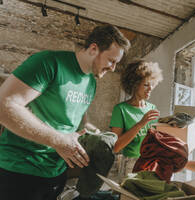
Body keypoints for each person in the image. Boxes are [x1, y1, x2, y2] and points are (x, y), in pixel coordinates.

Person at [0, 25, 130, 200]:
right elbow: (5, 105)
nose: (113, 68)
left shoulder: (90, 82)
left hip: (57, 173)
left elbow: (78, 123)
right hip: (20, 171)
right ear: (93, 49)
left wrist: (96, 135)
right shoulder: (49, 63)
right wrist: (59, 141)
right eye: (111, 61)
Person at [109, 60, 163, 181]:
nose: (150, 89)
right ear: (134, 84)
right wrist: (141, 124)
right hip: (130, 164)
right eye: (146, 84)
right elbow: (116, 146)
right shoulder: (121, 109)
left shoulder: (152, 108)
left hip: (151, 162)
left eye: (152, 84)